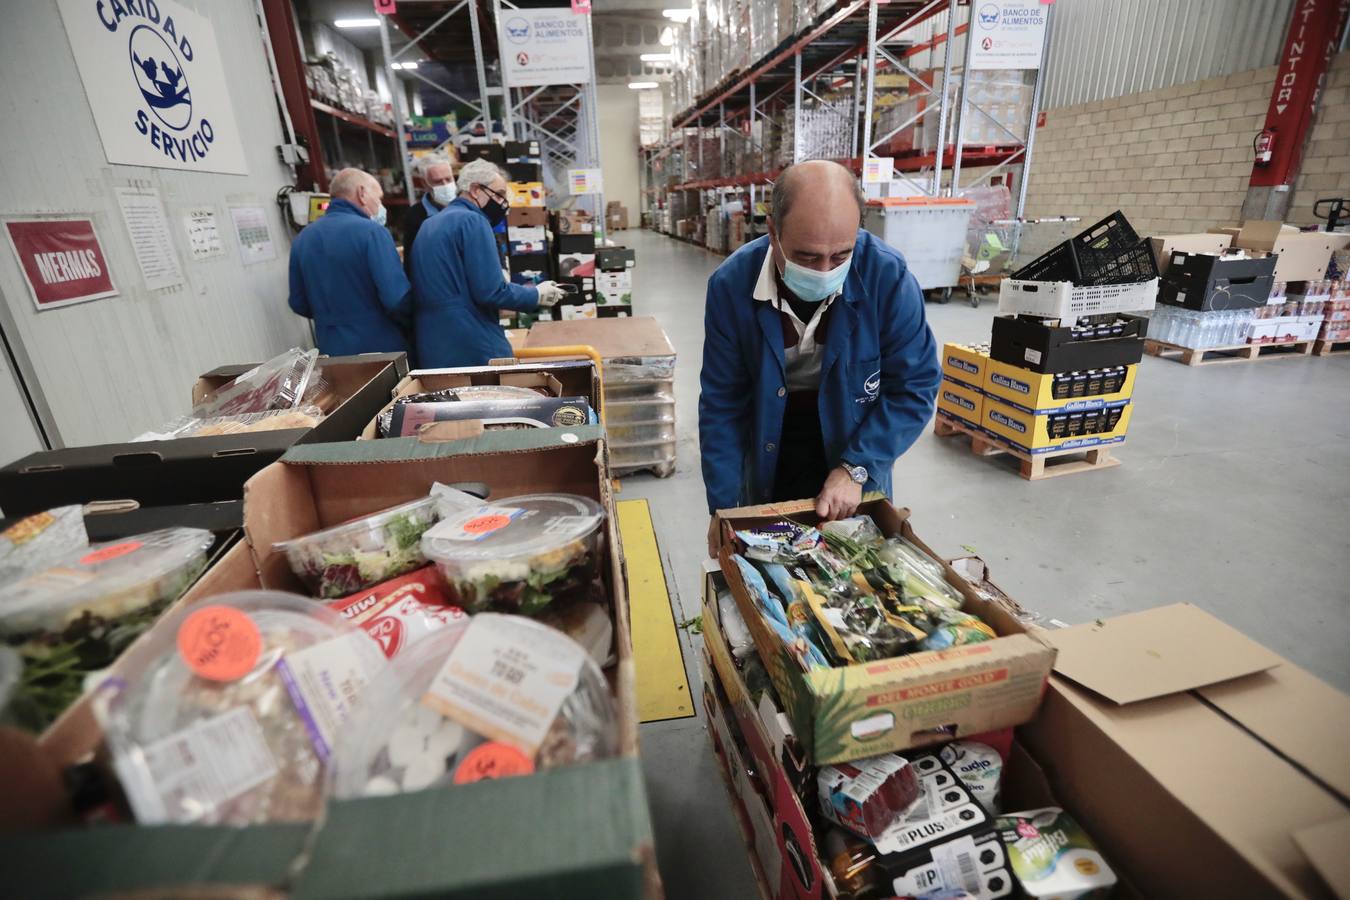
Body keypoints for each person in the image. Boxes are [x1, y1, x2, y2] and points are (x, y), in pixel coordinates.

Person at [698, 159, 940, 546]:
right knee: (771, 548)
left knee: (855, 559)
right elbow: (723, 403)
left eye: (841, 255)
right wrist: (725, 511)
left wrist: (857, 467)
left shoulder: (888, 279)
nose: (825, 270)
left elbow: (915, 384)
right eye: (808, 257)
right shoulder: (731, 287)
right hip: (770, 433)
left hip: (855, 431)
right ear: (773, 231)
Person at [411, 159, 566, 367]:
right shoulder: (473, 221)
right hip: (472, 342)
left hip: (433, 345)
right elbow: (491, 291)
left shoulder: (428, 225)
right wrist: (536, 294)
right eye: (499, 193)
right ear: (475, 190)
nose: (503, 202)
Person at [288, 168, 412, 357]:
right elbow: (396, 299)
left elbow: (298, 302)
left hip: (331, 349)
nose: (380, 206)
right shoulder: (372, 233)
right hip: (380, 347)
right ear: (362, 193)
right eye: (378, 199)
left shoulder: (303, 238)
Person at [402, 155, 456, 277]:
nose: (445, 185)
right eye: (437, 181)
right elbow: (411, 261)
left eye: (448, 179)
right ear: (424, 184)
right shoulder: (414, 217)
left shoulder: (469, 207)